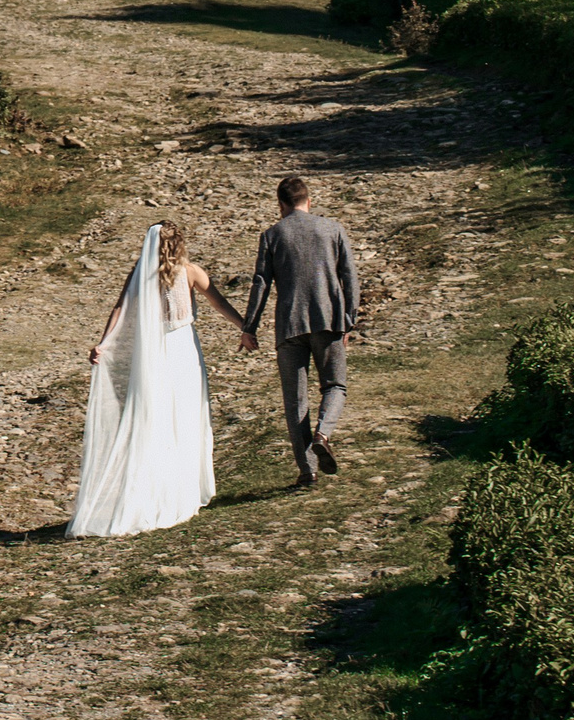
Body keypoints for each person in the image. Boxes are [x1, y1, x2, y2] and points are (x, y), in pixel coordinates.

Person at [68, 220, 241, 537]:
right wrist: (244, 326)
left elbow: (120, 307)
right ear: (180, 243)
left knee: (156, 417)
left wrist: (104, 343)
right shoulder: (190, 272)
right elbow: (218, 302)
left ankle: (156, 490)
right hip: (183, 350)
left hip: (154, 352)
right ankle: (183, 488)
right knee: (187, 416)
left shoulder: (142, 276)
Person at [237, 175, 360, 488]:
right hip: (329, 319)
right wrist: (349, 318)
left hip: (289, 326)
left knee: (295, 401)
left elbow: (261, 283)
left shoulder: (272, 235)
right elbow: (350, 277)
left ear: (280, 204)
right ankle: (323, 433)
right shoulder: (333, 229)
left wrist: (250, 326)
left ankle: (308, 471)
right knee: (335, 384)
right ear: (309, 199)